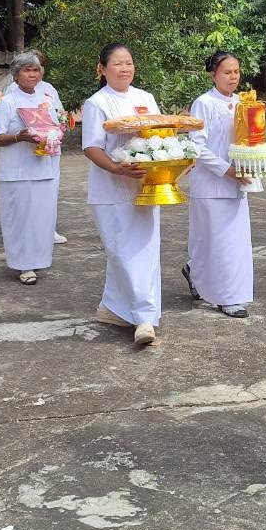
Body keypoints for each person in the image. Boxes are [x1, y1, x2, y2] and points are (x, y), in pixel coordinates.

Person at [81, 43, 162, 347]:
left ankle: (113, 309)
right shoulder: (97, 102)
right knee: (124, 250)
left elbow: (159, 133)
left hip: (144, 185)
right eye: (117, 63)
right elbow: (91, 146)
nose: (125, 68)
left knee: (145, 248)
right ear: (102, 69)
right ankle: (144, 318)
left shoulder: (146, 98)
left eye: (128, 62)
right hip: (112, 188)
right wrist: (117, 169)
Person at [184, 50, 254, 318]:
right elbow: (196, 146)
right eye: (227, 71)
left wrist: (252, 165)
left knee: (233, 244)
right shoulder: (204, 103)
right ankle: (219, 291)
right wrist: (227, 170)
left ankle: (225, 292)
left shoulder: (243, 102)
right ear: (213, 74)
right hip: (211, 184)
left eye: (236, 71)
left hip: (238, 184)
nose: (233, 77)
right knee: (210, 241)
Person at [0, 51, 64, 284]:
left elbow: (57, 124)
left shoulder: (47, 99)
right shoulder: (9, 101)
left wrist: (57, 132)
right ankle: (23, 266)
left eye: (35, 70)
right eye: (27, 70)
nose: (32, 75)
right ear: (16, 74)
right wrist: (19, 137)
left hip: (45, 166)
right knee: (20, 218)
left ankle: (39, 260)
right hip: (18, 171)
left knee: (42, 218)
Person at [32, 49, 67, 244]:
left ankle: (49, 229)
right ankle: (30, 228)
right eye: (29, 68)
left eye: (39, 68)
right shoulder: (14, 90)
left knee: (51, 188)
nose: (34, 73)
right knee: (31, 190)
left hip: (52, 147)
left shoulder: (49, 89)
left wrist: (61, 125)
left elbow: (59, 112)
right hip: (30, 148)